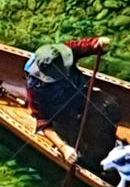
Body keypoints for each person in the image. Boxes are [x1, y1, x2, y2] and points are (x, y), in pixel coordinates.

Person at [24, 36, 120, 168]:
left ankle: (110, 143)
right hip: (61, 115)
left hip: (78, 94)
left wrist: (97, 44)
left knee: (110, 105)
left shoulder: (61, 53)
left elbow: (81, 46)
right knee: (85, 154)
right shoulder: (37, 89)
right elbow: (43, 122)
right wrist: (63, 147)